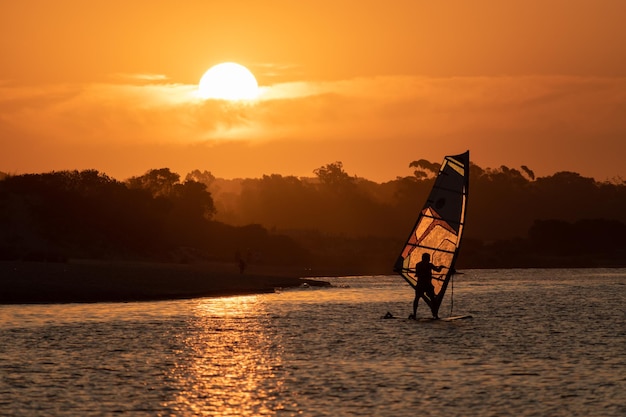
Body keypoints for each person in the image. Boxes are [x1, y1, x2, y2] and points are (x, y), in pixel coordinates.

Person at [410, 253, 443, 319]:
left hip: (420, 285)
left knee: (417, 299)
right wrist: (441, 267)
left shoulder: (418, 264)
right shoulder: (429, 265)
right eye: (429, 258)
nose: (429, 259)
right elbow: (438, 270)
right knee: (433, 300)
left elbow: (417, 274)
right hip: (427, 285)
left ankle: (414, 314)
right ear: (427, 258)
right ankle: (435, 315)